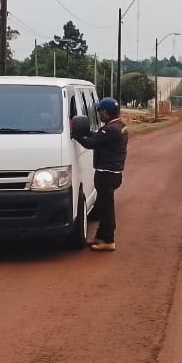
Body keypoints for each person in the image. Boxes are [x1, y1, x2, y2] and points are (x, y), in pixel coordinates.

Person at [74, 97, 129, 251]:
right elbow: (98, 136)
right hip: (114, 173)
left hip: (106, 174)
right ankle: (100, 236)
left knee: (106, 209)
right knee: (104, 206)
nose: (99, 113)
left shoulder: (109, 130)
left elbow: (91, 143)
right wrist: (87, 132)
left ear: (106, 112)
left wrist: (77, 135)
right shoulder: (119, 126)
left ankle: (109, 241)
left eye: (100, 111)